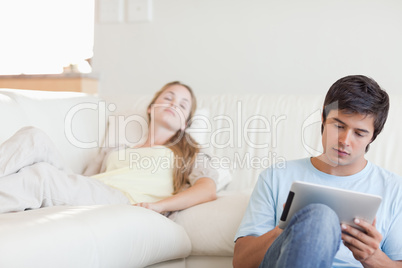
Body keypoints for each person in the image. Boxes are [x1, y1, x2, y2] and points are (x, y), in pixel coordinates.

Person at [233, 75, 402, 268]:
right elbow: (241, 262)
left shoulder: (395, 189)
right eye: (338, 126)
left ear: (373, 136)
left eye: (359, 133)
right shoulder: (276, 175)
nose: (345, 140)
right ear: (323, 118)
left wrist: (372, 257)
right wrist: (286, 231)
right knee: (320, 216)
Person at [0, 81, 218, 214]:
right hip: (91, 189)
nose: (173, 104)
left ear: (185, 123)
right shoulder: (117, 149)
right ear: (151, 108)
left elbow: (207, 189)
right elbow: (82, 179)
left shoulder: (189, 153)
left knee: (41, 176)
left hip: (124, 199)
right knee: (34, 136)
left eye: (182, 105)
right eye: (168, 98)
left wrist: (160, 206)